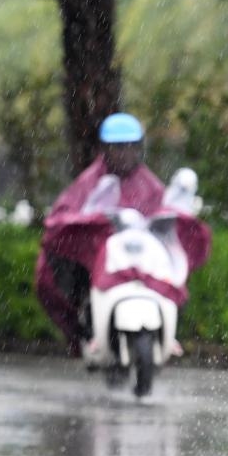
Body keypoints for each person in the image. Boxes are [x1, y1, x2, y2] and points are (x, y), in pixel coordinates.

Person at [35, 113, 165, 354]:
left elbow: (165, 216)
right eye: (118, 148)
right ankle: (86, 330)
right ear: (105, 149)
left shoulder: (151, 185)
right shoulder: (89, 182)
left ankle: (167, 334)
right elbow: (62, 217)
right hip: (97, 263)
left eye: (131, 147)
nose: (125, 154)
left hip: (139, 263)